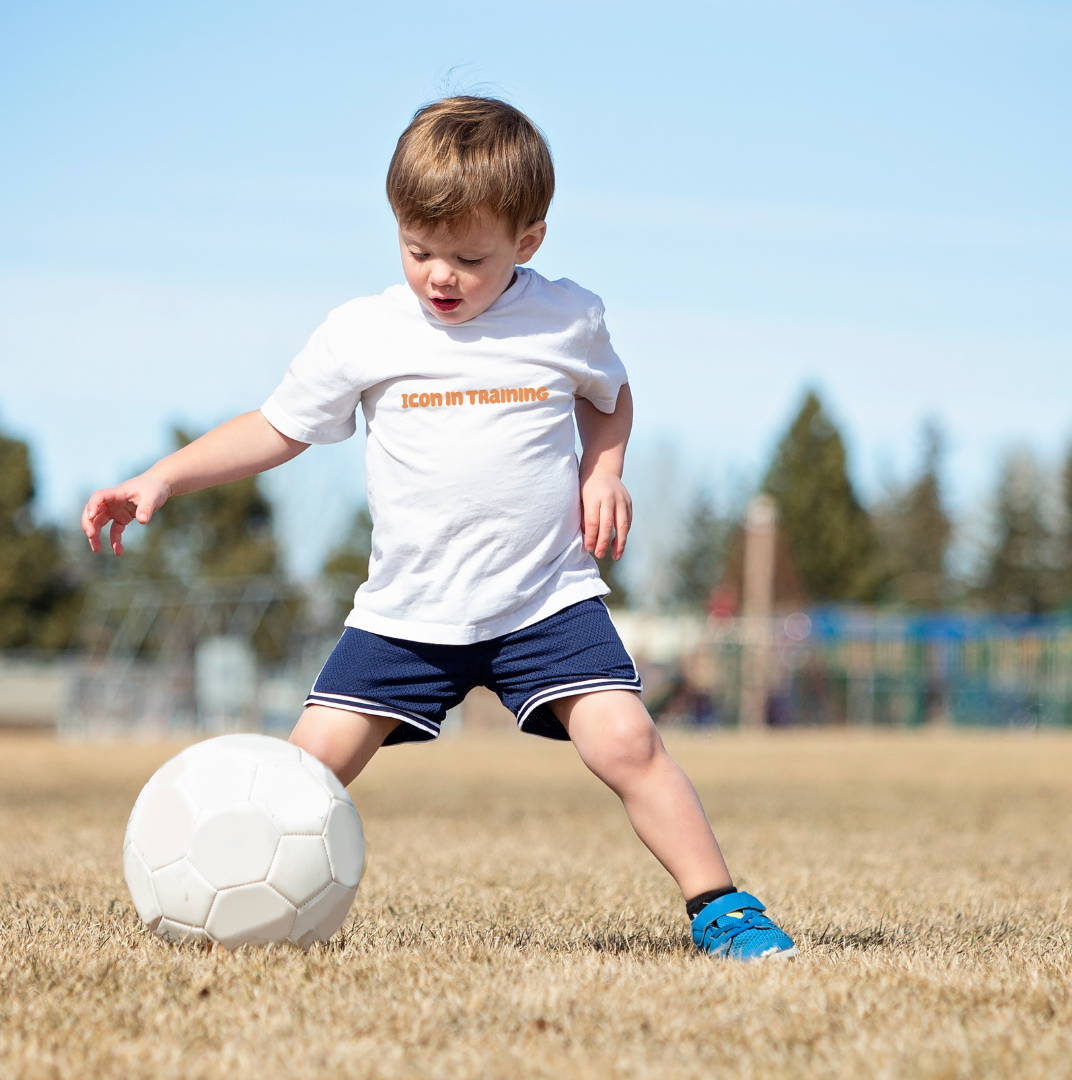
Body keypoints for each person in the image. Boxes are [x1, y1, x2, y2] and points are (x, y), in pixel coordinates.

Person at [81, 96, 796, 961]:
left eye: (468, 255)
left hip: (544, 600)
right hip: (407, 613)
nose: (439, 277)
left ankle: (720, 908)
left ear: (527, 241)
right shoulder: (363, 332)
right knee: (301, 773)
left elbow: (610, 395)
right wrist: (163, 477)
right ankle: (237, 911)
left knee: (629, 741)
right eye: (418, 250)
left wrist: (603, 467)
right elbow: (278, 426)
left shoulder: (567, 317)